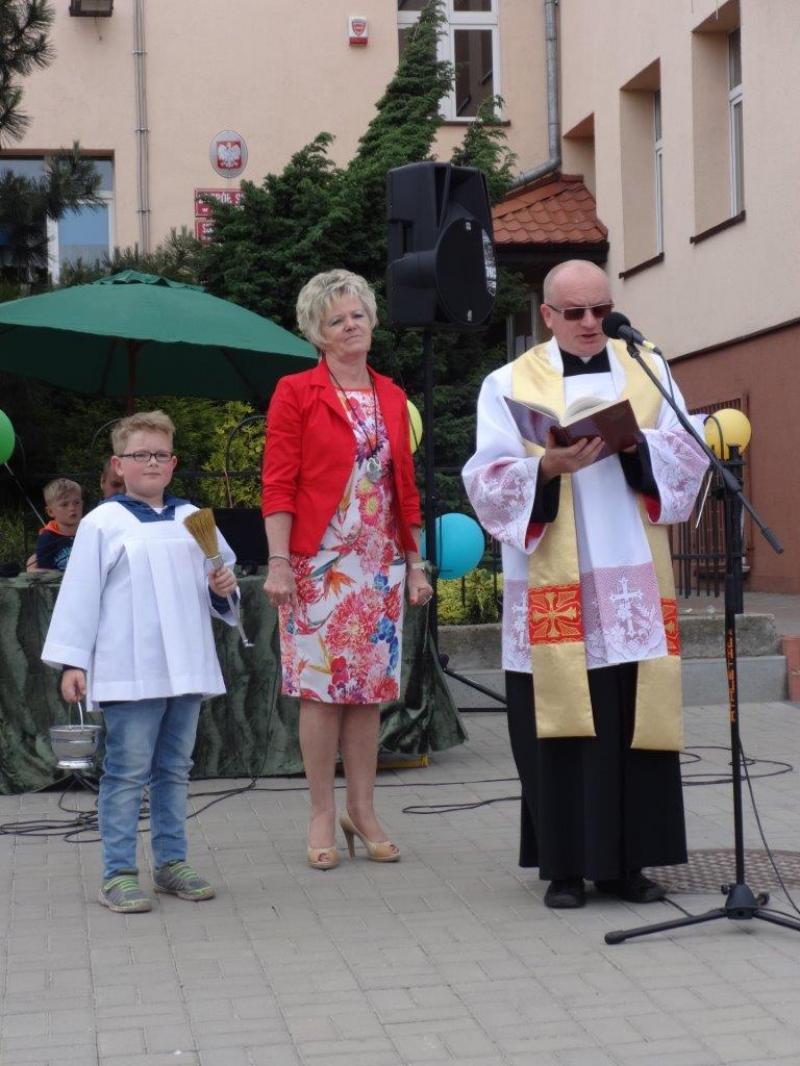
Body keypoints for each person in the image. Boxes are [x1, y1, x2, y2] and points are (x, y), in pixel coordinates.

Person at [463, 259, 709, 909]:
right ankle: (566, 867)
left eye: (600, 309)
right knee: (562, 722)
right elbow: (486, 482)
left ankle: (629, 865)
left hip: (629, 576)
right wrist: (546, 465)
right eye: (574, 313)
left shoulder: (647, 368)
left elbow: (688, 453)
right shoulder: (509, 382)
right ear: (547, 316)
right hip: (553, 581)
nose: (591, 323)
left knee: (632, 716)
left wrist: (635, 449)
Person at [262, 269, 432, 870]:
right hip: (317, 564)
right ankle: (318, 812)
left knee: (367, 694)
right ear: (318, 334)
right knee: (320, 693)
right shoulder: (296, 391)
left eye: (357, 314)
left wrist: (415, 565)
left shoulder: (390, 394)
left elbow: (403, 488)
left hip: (377, 565)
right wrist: (279, 561)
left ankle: (363, 810)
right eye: (337, 319)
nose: (351, 324)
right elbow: (279, 482)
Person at [42, 410, 240, 914]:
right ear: (118, 465)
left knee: (174, 769)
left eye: (159, 454)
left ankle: (172, 863)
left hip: (186, 666)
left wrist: (222, 591)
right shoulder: (102, 523)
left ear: (172, 464)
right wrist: (72, 662)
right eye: (139, 455)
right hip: (131, 669)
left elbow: (222, 595)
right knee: (127, 772)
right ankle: (118, 873)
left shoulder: (196, 520)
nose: (150, 462)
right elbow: (80, 596)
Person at [33, 478, 83, 571]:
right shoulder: (47, 538)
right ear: (50, 511)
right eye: (64, 504)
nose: (72, 508)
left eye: (76, 502)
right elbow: (44, 572)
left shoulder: (89, 531)